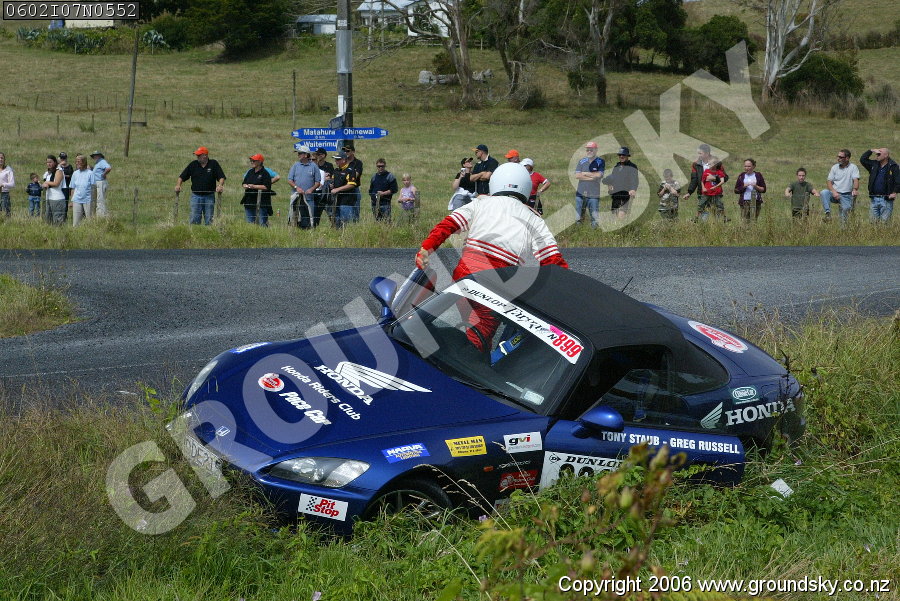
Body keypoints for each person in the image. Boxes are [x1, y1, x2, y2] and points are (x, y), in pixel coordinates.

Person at [415, 163, 568, 350]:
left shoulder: (481, 203)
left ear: (495, 183)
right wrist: (568, 290)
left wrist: (427, 248)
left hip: (464, 277)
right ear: (526, 188)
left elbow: (447, 225)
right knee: (479, 339)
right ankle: (469, 361)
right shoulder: (534, 219)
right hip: (497, 285)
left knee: (467, 324)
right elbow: (553, 260)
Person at [175, 146, 226, 226]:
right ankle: (194, 233)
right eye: (197, 155)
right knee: (194, 219)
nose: (197, 157)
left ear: (205, 155)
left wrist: (220, 185)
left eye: (199, 155)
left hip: (209, 197)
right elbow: (181, 177)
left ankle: (208, 232)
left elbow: (221, 177)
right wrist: (178, 185)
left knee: (209, 220)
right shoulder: (193, 165)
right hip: (195, 197)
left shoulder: (213, 164)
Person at [684, 143, 728, 222]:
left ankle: (719, 225)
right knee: (704, 216)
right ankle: (703, 227)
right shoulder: (695, 164)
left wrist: (715, 178)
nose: (698, 155)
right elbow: (694, 179)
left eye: (700, 153)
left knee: (717, 215)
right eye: (698, 153)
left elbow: (725, 177)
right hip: (702, 192)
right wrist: (689, 192)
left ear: (707, 153)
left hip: (715, 193)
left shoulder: (717, 163)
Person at [859, 148, 899, 222]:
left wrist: (894, 192)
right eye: (876, 154)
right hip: (874, 199)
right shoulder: (874, 164)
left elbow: (898, 181)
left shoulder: (893, 166)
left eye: (879, 153)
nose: (877, 155)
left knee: (884, 223)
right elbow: (863, 160)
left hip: (886, 200)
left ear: (886, 155)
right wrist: (871, 150)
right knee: (873, 223)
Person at [820, 149, 859, 224]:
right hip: (835, 194)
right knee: (824, 192)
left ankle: (843, 228)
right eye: (838, 156)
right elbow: (829, 181)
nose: (838, 158)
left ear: (847, 158)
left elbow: (856, 180)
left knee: (845, 215)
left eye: (841, 157)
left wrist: (855, 189)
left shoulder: (853, 167)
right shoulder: (834, 167)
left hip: (846, 195)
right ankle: (828, 214)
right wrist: (834, 192)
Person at [287, 146, 321, 228]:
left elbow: (317, 182)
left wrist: (311, 189)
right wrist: (297, 187)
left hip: (308, 198)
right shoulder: (295, 165)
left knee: (308, 219)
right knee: (294, 218)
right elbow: (290, 180)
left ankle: (308, 232)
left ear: (306, 155)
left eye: (300, 153)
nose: (298, 155)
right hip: (296, 197)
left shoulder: (314, 166)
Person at [602, 147, 638, 220]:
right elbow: (612, 178)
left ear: (627, 156)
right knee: (614, 216)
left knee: (622, 215)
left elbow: (634, 179)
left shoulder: (632, 166)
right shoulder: (617, 166)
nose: (621, 156)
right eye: (620, 155)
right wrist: (609, 184)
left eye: (623, 155)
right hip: (616, 194)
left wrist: (633, 189)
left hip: (626, 194)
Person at [574, 141, 604, 227]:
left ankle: (594, 232)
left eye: (591, 150)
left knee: (594, 218)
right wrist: (592, 177)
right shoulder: (581, 161)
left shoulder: (600, 161)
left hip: (594, 194)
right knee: (578, 217)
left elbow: (599, 175)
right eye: (587, 150)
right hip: (580, 194)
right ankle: (578, 231)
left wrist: (584, 173)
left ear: (596, 150)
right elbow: (577, 175)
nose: (589, 151)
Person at [241, 154, 273, 226]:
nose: (251, 162)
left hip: (262, 202)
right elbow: (244, 182)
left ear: (260, 162)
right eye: (251, 160)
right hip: (249, 201)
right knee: (250, 223)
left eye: (254, 161)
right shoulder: (250, 172)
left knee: (262, 223)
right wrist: (245, 185)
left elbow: (266, 187)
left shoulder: (265, 174)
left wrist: (254, 186)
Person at [330, 151, 360, 228]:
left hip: (346, 201)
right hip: (336, 201)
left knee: (345, 223)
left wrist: (337, 189)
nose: (336, 161)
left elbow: (351, 184)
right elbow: (333, 181)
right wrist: (331, 185)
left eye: (338, 159)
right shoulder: (336, 170)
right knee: (336, 223)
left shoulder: (350, 170)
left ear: (343, 160)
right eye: (335, 159)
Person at [69, 154, 96, 227]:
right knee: (76, 222)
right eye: (76, 161)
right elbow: (73, 188)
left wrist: (93, 201)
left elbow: (93, 188)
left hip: (88, 200)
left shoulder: (90, 173)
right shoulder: (75, 173)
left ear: (84, 162)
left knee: (90, 220)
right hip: (77, 199)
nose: (77, 163)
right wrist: (71, 201)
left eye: (79, 161)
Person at [42, 154, 67, 225]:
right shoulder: (48, 173)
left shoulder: (59, 171)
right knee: (49, 221)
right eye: (47, 162)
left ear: (55, 162)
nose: (48, 164)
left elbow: (56, 183)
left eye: (50, 162)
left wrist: (46, 182)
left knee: (58, 222)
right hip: (49, 198)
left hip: (57, 199)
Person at [313, 148, 334, 226]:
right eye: (317, 154)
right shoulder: (314, 166)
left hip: (326, 193)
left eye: (320, 154)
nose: (318, 156)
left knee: (330, 212)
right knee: (316, 213)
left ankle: (334, 226)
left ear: (324, 155)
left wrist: (326, 179)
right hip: (317, 192)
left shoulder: (329, 165)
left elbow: (331, 178)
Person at [343, 145, 364, 220]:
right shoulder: (343, 161)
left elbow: (355, 176)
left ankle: (355, 225)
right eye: (344, 151)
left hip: (354, 189)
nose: (346, 152)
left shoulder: (358, 163)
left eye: (348, 151)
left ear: (353, 152)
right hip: (343, 189)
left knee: (355, 212)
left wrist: (343, 176)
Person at [89, 151, 111, 217]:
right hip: (97, 182)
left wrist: (104, 174)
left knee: (100, 199)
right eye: (94, 156)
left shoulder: (102, 161)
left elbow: (108, 168)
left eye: (96, 155)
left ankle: (101, 215)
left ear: (99, 156)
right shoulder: (98, 163)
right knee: (97, 199)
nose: (94, 157)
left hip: (100, 182)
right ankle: (97, 214)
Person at [0, 152, 13, 218]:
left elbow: (12, 184)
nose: (0, 159)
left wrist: (3, 184)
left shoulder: (8, 169)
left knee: (5, 214)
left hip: (4, 194)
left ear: (4, 159)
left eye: (2, 158)